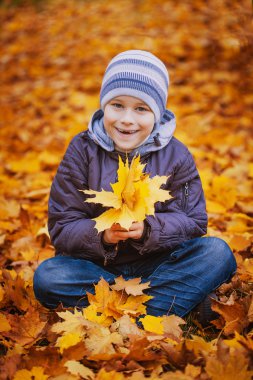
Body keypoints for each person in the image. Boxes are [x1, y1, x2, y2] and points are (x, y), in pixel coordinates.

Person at [33, 50, 237, 323]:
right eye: (117, 105)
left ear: (158, 114)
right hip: (96, 269)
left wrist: (148, 230)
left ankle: (127, 313)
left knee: (217, 253)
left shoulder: (176, 156)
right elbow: (62, 226)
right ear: (103, 105)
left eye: (141, 108)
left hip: (157, 263)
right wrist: (102, 235)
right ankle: (164, 306)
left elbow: (193, 221)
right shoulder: (81, 151)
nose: (127, 119)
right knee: (49, 277)